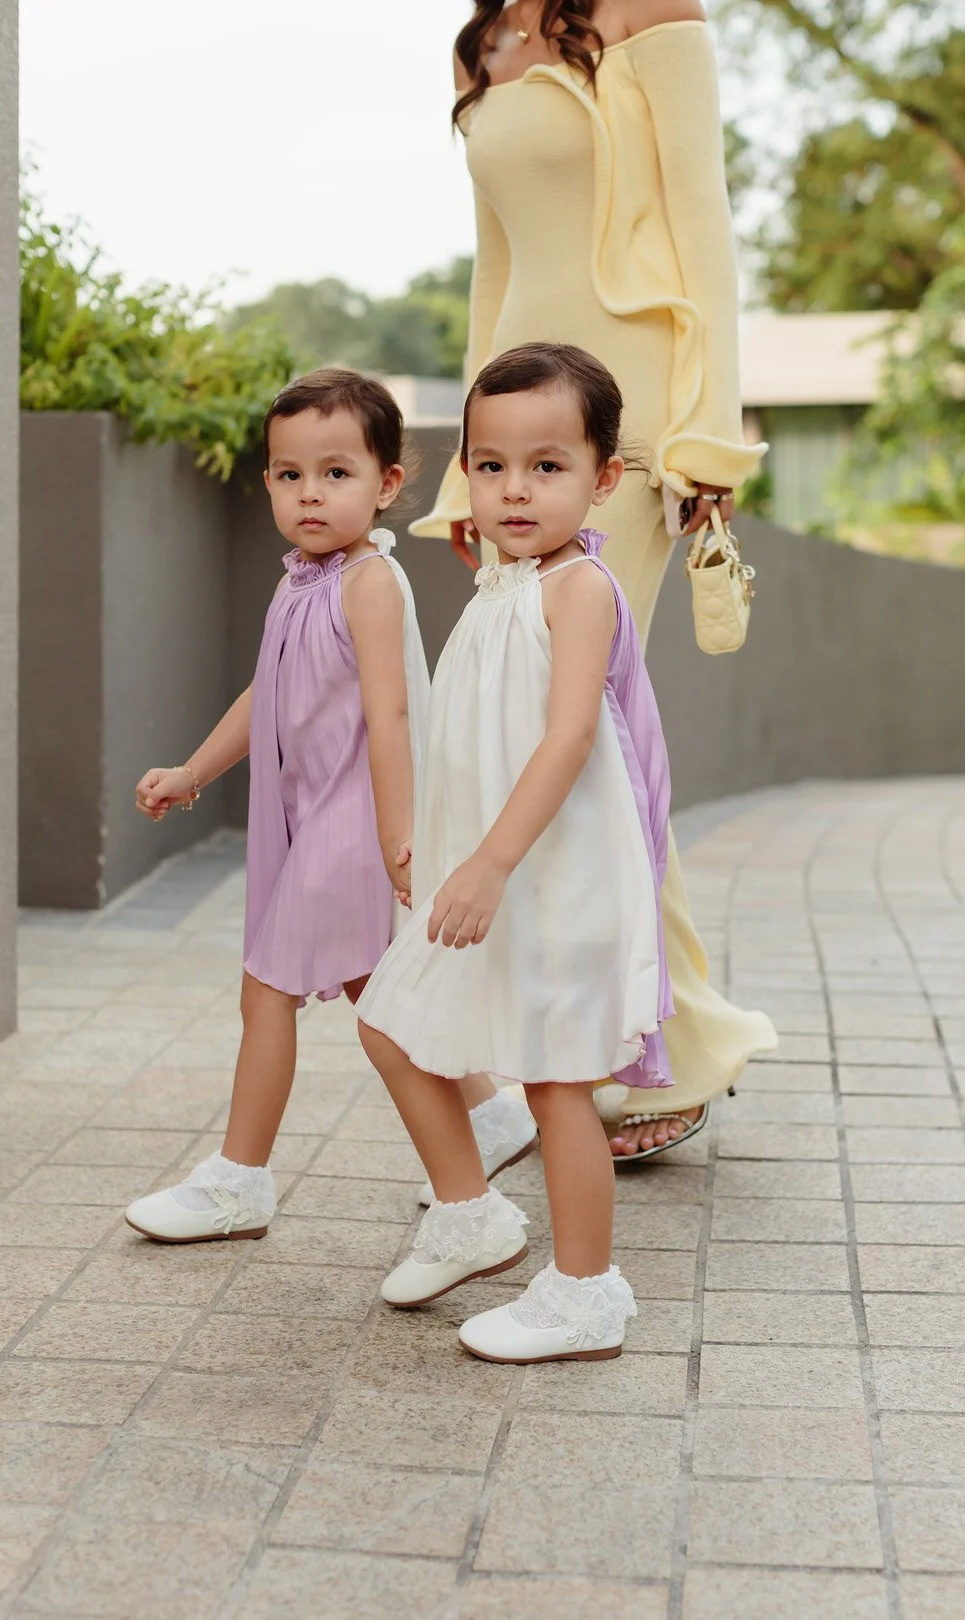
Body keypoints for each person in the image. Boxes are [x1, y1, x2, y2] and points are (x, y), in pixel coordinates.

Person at [411, 0, 777, 1162]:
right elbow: (497, 267)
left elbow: (700, 218)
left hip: (631, 420)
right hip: (521, 430)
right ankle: (606, 1038)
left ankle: (652, 1047)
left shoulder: (640, 8)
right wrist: (471, 471)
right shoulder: (484, 44)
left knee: (597, 731)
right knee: (527, 729)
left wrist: (707, 439)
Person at [357, 342, 672, 1364]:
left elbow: (569, 736)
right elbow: (470, 734)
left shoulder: (574, 590)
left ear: (603, 478)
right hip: (491, 865)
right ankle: (471, 1212)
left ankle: (587, 1292)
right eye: (490, 466)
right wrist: (433, 843)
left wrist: (489, 864)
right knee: (394, 1024)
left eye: (547, 466)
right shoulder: (499, 585)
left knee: (554, 1079)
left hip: (556, 875)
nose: (515, 489)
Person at [123, 369, 433, 1244]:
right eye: (290, 474)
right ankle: (480, 1130)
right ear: (267, 482)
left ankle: (239, 1180)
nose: (310, 493)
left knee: (270, 991)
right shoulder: (301, 580)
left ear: (387, 485)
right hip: (308, 819)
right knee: (384, 996)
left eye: (336, 473)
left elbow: (392, 711)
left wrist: (396, 835)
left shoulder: (368, 581)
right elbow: (270, 693)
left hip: (354, 818)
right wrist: (193, 772)